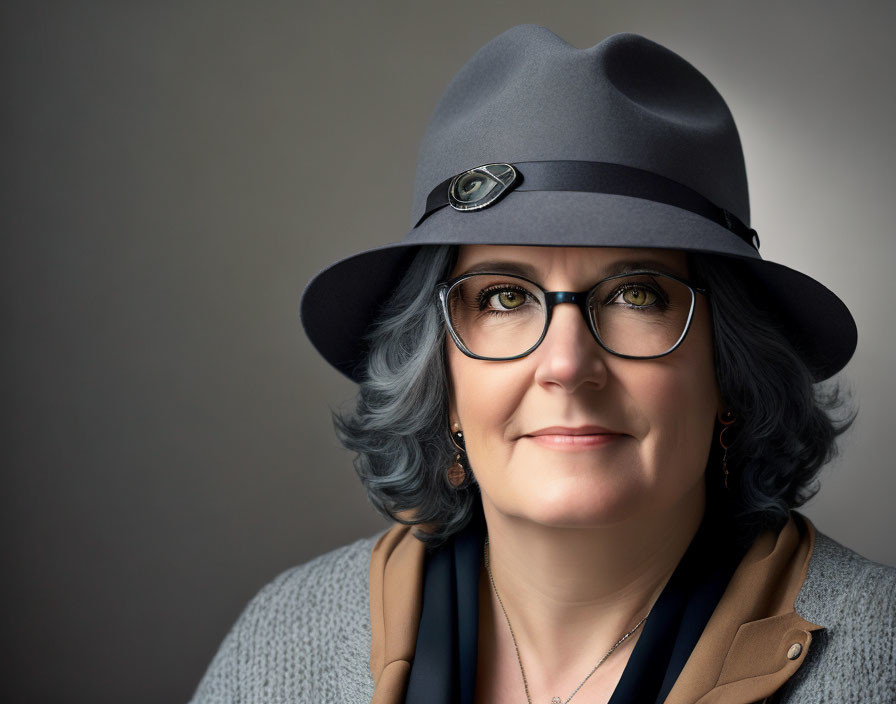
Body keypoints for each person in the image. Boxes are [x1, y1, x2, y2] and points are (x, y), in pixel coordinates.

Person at [189, 25, 896, 704]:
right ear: (440, 379)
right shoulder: (284, 640)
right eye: (502, 297)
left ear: (730, 370)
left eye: (636, 293)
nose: (566, 362)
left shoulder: (879, 657)